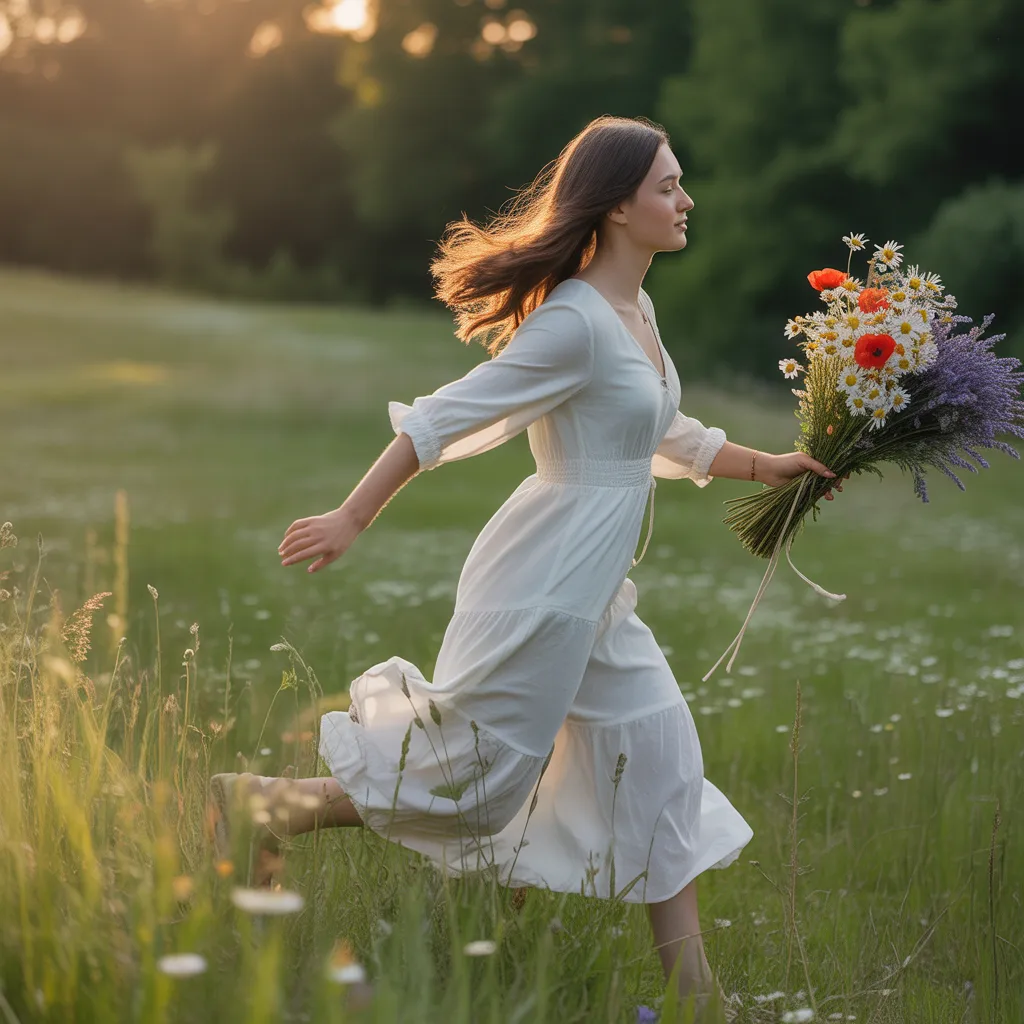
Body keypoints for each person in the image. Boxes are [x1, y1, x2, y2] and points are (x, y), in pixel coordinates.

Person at [209, 114, 840, 1021]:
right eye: (668, 185)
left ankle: (698, 999)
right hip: (543, 583)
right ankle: (266, 804)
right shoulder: (575, 321)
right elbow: (443, 418)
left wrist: (767, 464)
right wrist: (352, 515)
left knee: (660, 761)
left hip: (596, 596)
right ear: (620, 206)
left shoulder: (636, 312)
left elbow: (660, 431)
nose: (684, 199)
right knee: (478, 783)